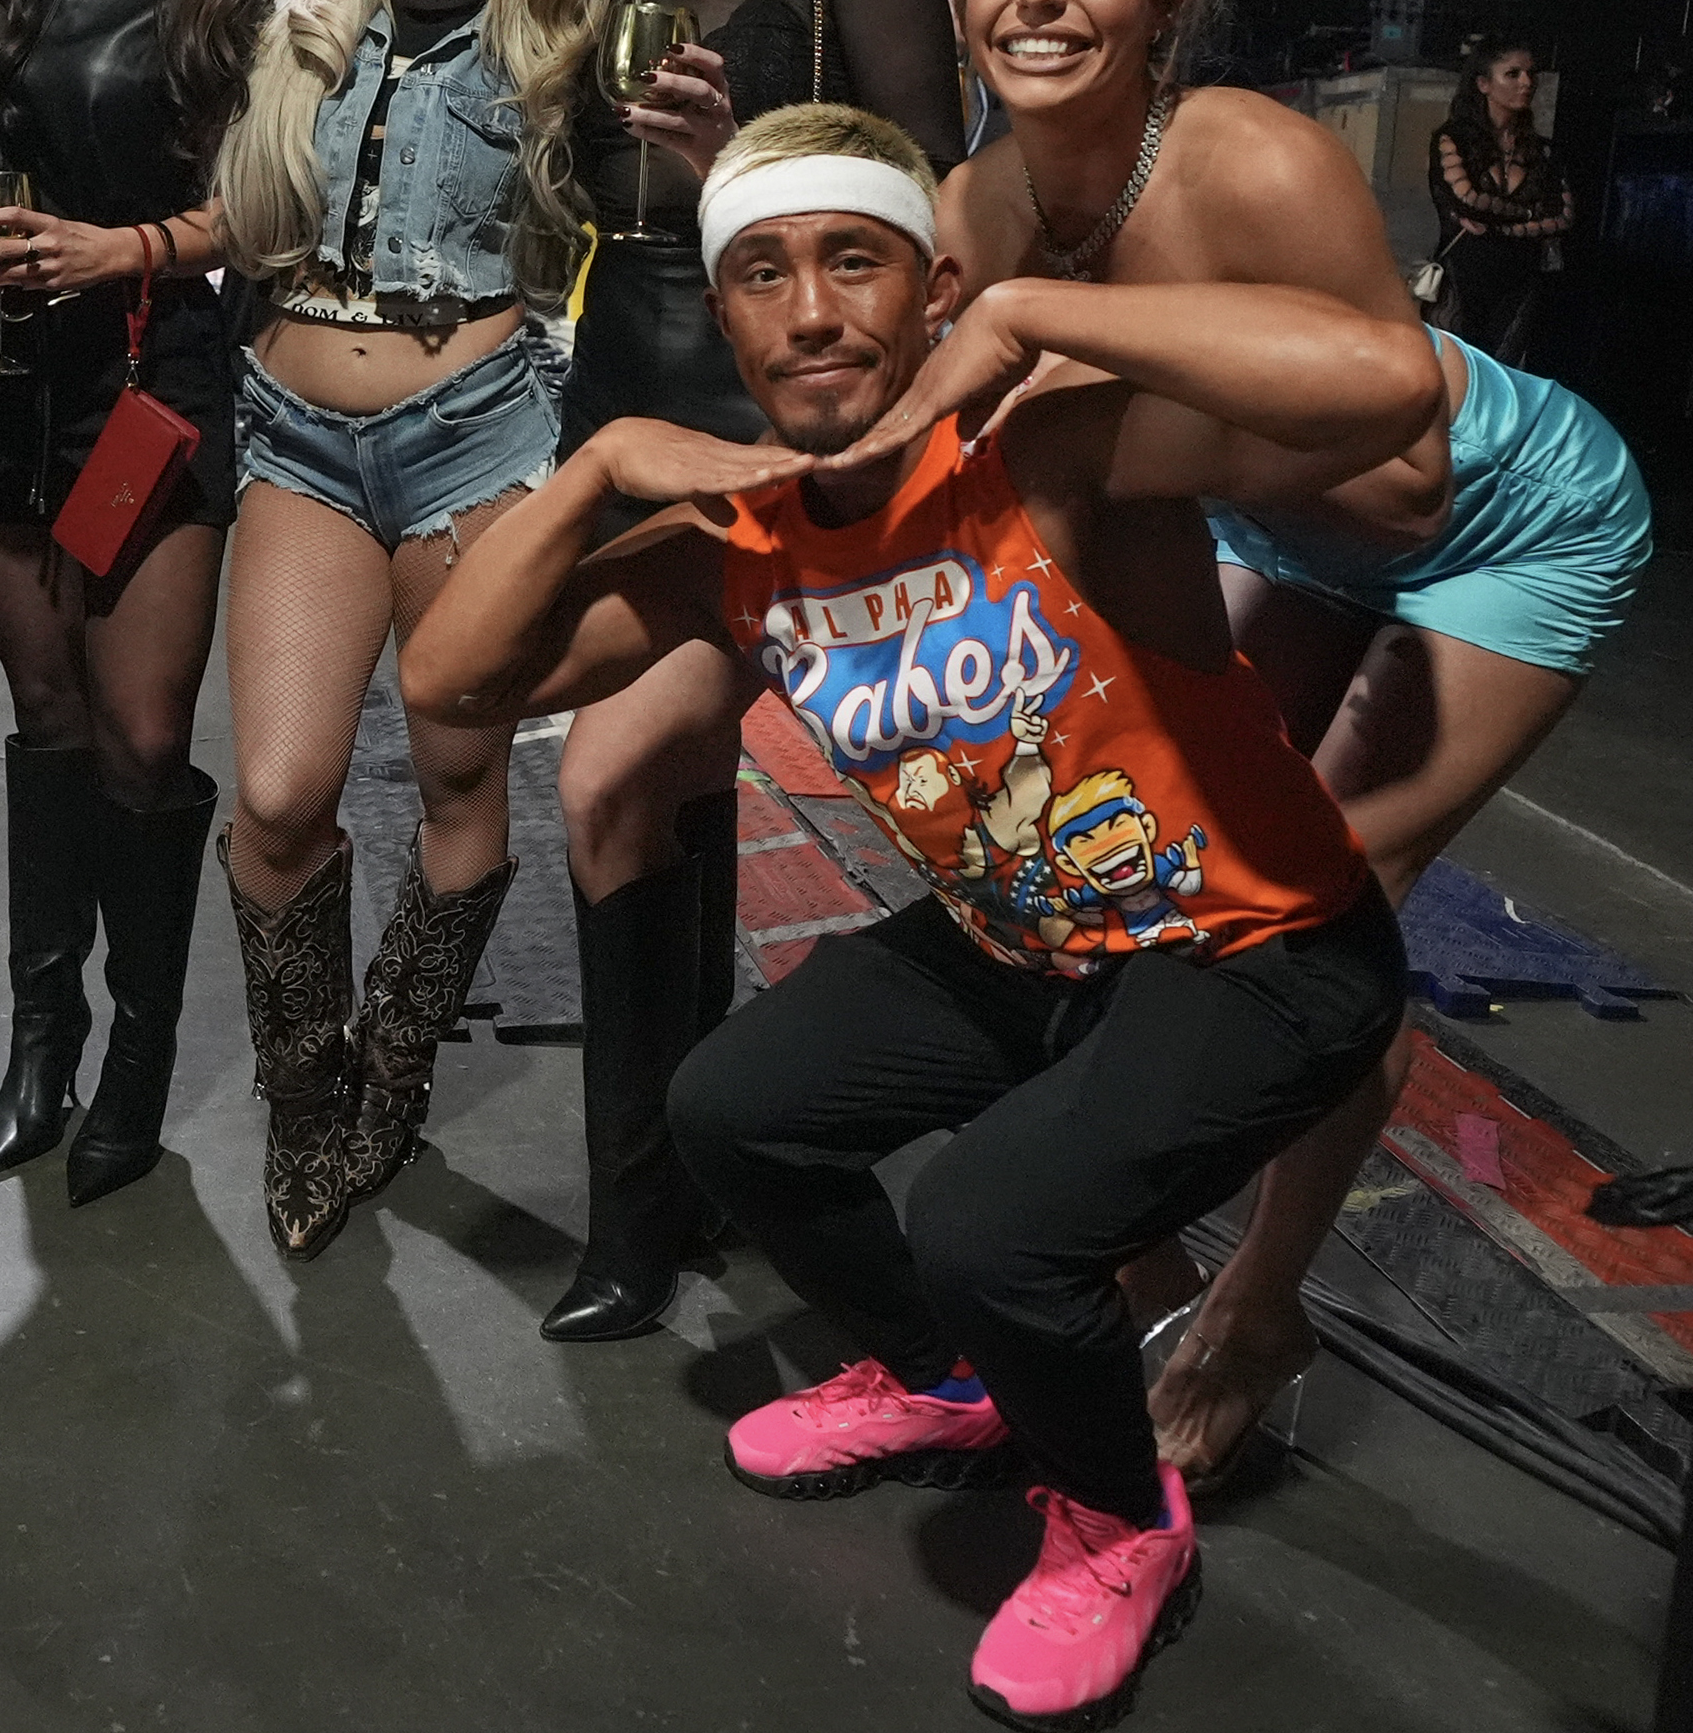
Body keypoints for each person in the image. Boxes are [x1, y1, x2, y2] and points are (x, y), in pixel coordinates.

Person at [401, 102, 1433, 1732]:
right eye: (764, 273)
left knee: (989, 1227)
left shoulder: (1047, 450)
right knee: (733, 1113)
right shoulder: (732, 542)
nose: (811, 311)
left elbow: (1388, 385)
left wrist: (1026, 316)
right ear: (723, 312)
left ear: (931, 285)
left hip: (1257, 953)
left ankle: (1119, 1522)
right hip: (1024, 944)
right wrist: (599, 461)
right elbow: (453, 683)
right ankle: (951, 1383)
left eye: (854, 261)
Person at [935, 0, 1651, 1481]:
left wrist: (1086, 359)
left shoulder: (1251, 155)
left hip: (1505, 520)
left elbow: (1404, 486)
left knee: (1322, 912)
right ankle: (1138, 1250)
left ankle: (1262, 1308)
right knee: (1154, 862)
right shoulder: (978, 198)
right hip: (1278, 527)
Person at [514, 0, 964, 1343]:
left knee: (611, 779)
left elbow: (925, 188)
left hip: (772, 401)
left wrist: (743, 169)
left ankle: (637, 1218)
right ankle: (686, 1175)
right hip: (616, 381)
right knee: (671, 788)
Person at [206, 0, 580, 1259]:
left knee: (458, 785)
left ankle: (395, 1075)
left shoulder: (558, 35)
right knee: (279, 795)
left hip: (478, 438)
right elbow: (237, 214)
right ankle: (306, 1094)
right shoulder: (304, 18)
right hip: (296, 434)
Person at [0, 0, 272, 1202]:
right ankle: (42, 1032)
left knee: (141, 736)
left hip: (153, 376)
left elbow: (267, 206)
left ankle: (140, 1046)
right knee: (50, 712)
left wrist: (121, 248)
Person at [1429, 34, 1571, 365]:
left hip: (1519, 281)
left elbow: (1564, 217)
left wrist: (1494, 224)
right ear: (1483, 84)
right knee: (1451, 371)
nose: (1527, 82)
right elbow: (1465, 200)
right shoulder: (1454, 138)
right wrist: (1529, 216)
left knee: (1501, 373)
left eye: (1531, 73)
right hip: (1462, 276)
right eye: (1513, 74)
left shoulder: (1542, 151)